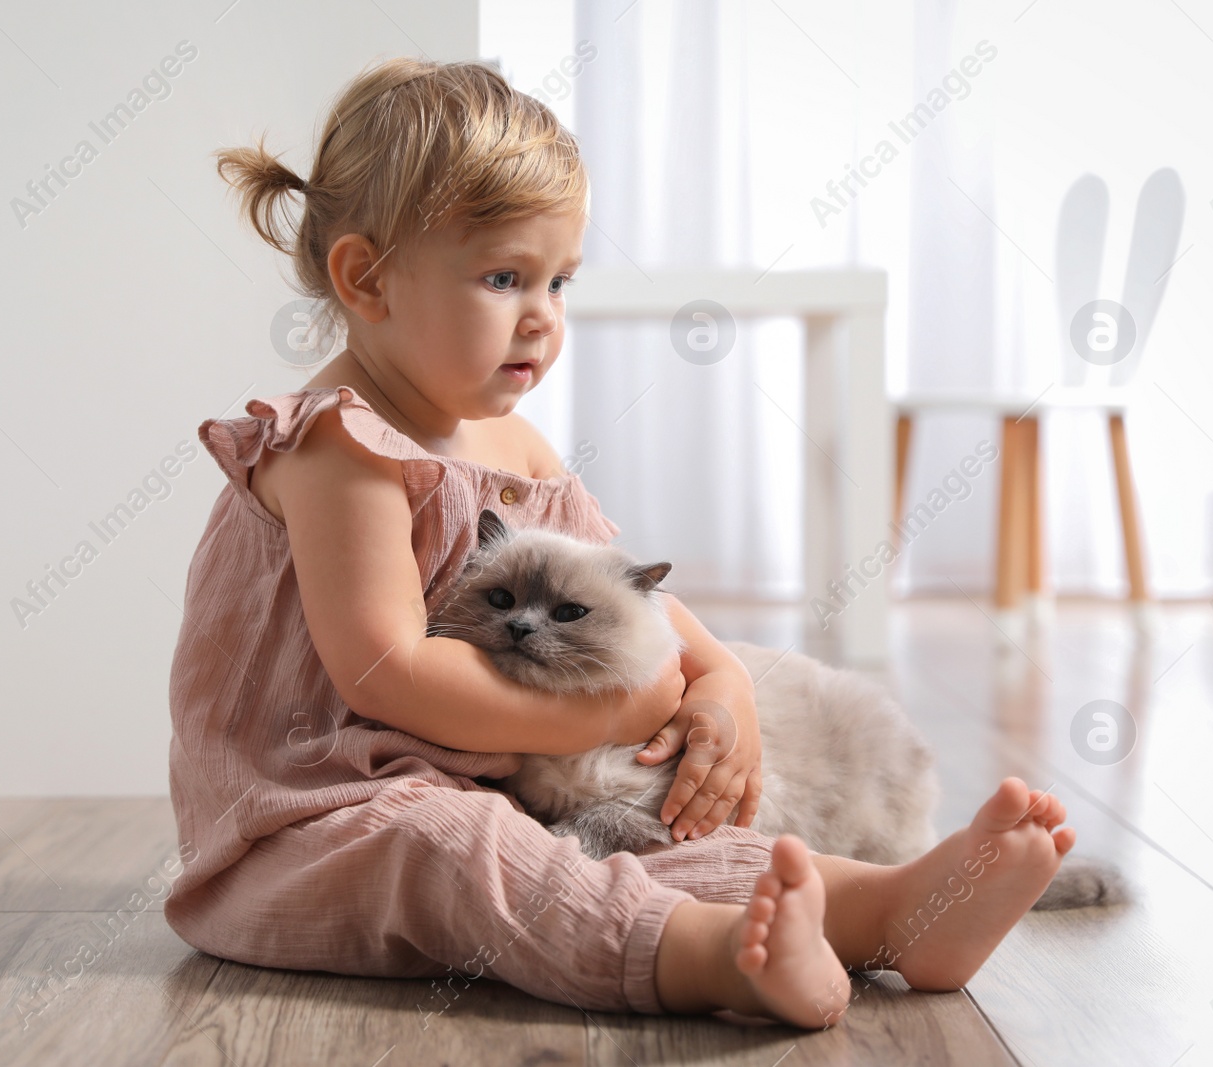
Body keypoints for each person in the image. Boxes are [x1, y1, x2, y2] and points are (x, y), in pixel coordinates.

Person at [164, 56, 1074, 1027]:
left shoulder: (512, 446)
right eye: (504, 276)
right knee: (456, 850)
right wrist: (601, 718)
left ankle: (888, 908)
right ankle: (711, 958)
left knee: (640, 838)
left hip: (486, 784)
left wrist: (718, 679)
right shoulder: (338, 446)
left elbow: (635, 595)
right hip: (316, 822)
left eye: (559, 280)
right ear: (367, 278)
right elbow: (385, 670)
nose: (541, 317)